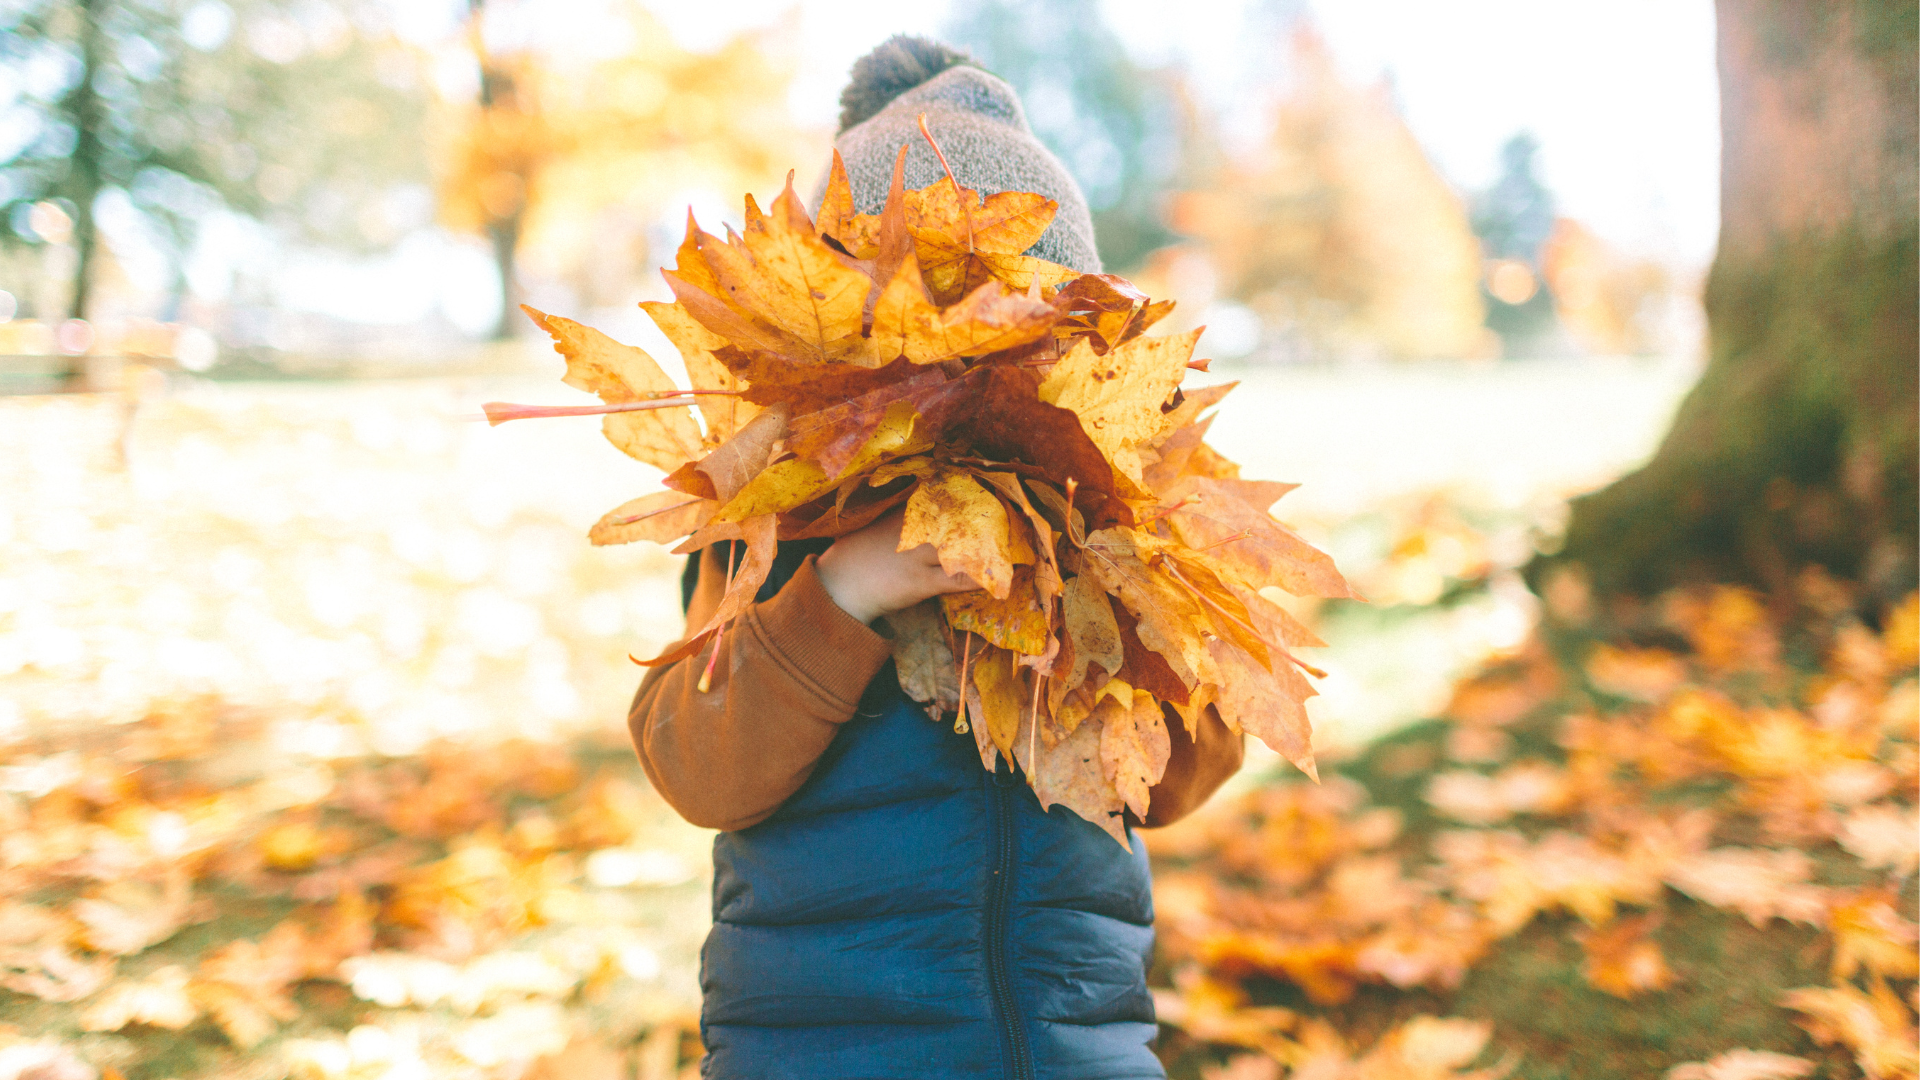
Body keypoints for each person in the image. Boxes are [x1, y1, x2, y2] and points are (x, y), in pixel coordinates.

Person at [629, 36, 1244, 1080]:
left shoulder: (1110, 522)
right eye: (932, 320)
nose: (970, 365)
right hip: (825, 1048)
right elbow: (695, 764)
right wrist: (844, 590)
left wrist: (1129, 611)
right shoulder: (778, 519)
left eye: (1021, 326)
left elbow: (1182, 780)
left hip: (1070, 1042)